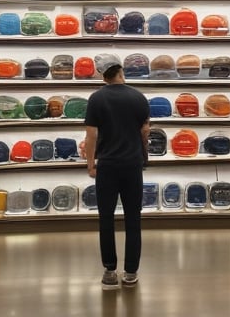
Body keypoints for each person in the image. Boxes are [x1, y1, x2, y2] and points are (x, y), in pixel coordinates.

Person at [84, 63, 150, 290]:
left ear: (104, 76)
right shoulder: (139, 98)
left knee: (106, 218)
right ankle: (131, 272)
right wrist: (144, 156)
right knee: (133, 218)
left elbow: (91, 135)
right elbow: (145, 132)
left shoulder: (96, 99)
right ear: (121, 73)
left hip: (108, 166)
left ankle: (109, 271)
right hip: (132, 165)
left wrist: (91, 164)